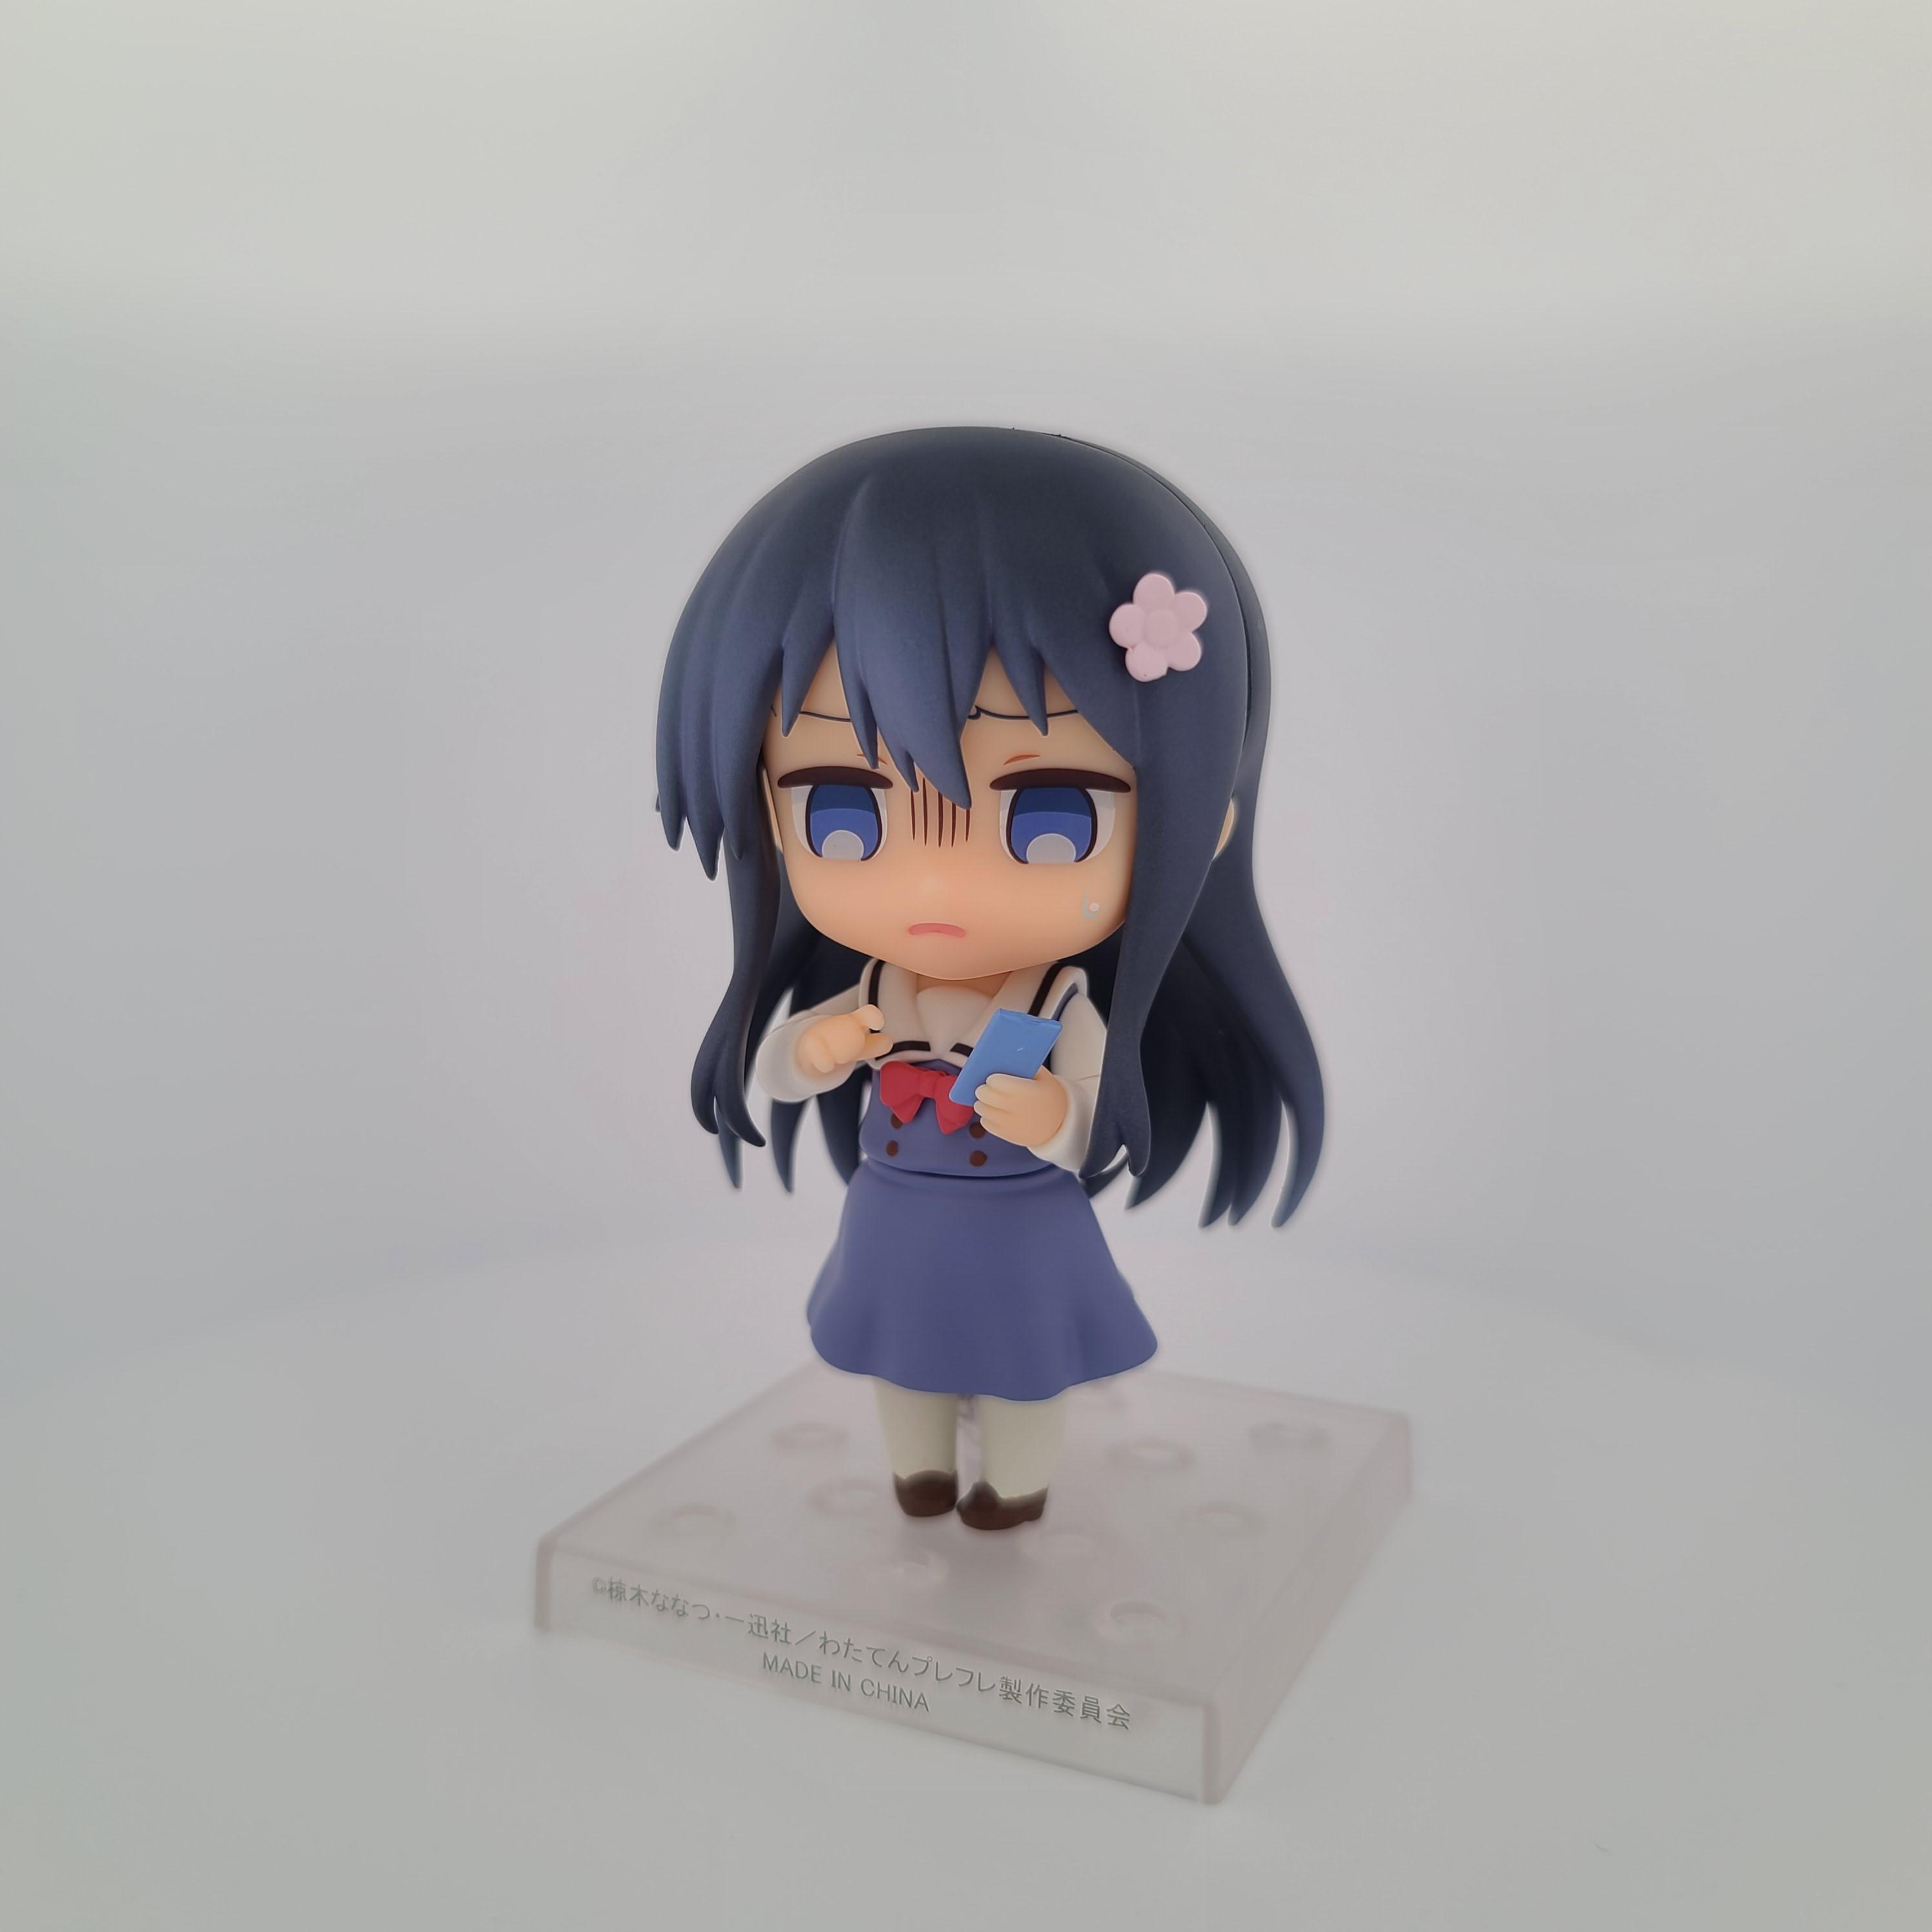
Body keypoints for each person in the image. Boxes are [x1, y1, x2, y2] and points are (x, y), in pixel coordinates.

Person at [656, 427, 1322, 1528]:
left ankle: (1015, 1486)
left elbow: (1091, 1113)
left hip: (1022, 1227)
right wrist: (815, 1050)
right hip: (896, 1218)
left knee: (1022, 1366)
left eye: (1050, 814)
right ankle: (918, 1470)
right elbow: (780, 1071)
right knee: (900, 1355)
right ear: (767, 809)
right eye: (843, 807)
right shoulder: (876, 991)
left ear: (1199, 824)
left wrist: (1055, 1117)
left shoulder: (1057, 1007)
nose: (935, 883)